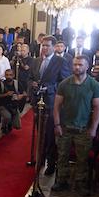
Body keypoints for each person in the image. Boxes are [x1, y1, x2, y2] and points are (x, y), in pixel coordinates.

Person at [51, 54, 99, 196]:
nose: (77, 67)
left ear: (87, 66)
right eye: (75, 64)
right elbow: (56, 106)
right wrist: (57, 124)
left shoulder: (94, 85)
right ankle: (62, 180)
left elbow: (98, 108)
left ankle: (80, 182)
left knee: (82, 158)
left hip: (83, 128)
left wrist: (93, 128)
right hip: (65, 127)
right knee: (62, 156)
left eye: (80, 65)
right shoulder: (64, 84)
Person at [34, 36, 70, 175]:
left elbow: (65, 83)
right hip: (38, 102)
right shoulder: (37, 60)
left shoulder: (61, 62)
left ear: (54, 47)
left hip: (52, 103)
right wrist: (32, 85)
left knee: (49, 135)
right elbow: (32, 77)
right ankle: (40, 159)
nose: (44, 48)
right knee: (40, 133)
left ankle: (51, 162)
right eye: (43, 45)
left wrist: (49, 88)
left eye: (47, 45)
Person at [0, 68, 25, 134]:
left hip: (14, 106)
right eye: (7, 75)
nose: (8, 76)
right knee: (8, 117)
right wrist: (6, 94)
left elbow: (24, 93)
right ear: (5, 75)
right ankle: (4, 126)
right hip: (3, 105)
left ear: (13, 75)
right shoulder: (1, 84)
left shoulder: (17, 83)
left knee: (17, 126)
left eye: (10, 75)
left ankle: (9, 123)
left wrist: (20, 96)